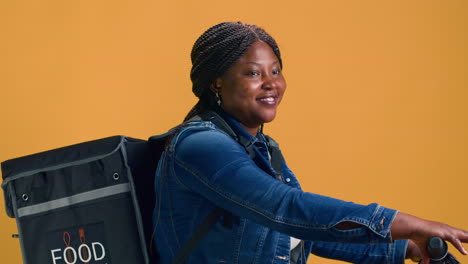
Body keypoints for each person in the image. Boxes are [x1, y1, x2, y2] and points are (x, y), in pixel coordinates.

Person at [152, 21, 468, 264]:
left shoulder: (264, 151)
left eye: (275, 71)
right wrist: (406, 225)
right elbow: (289, 209)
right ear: (216, 82)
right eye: (253, 73)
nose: (270, 83)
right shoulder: (201, 145)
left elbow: (303, 231)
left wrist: (405, 248)